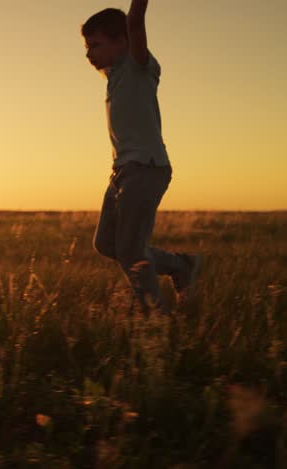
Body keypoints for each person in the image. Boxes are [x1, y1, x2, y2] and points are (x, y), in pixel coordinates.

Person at [82, 0, 201, 315]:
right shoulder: (114, 77)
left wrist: (135, 14)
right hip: (121, 173)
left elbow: (134, 21)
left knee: (131, 250)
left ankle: (155, 322)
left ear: (123, 42)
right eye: (86, 46)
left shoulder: (138, 66)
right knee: (106, 244)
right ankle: (180, 264)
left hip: (146, 169)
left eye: (96, 44)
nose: (88, 53)